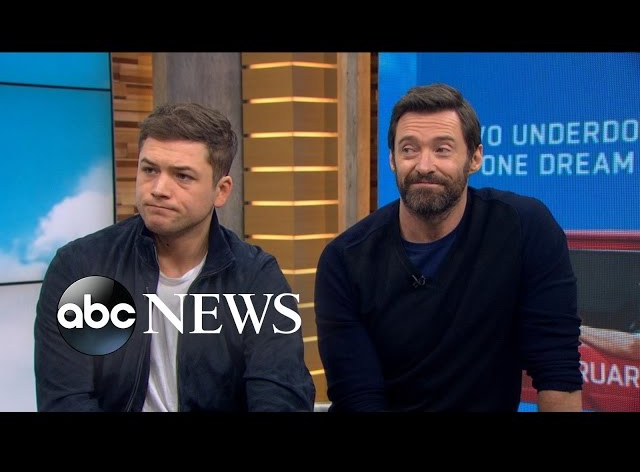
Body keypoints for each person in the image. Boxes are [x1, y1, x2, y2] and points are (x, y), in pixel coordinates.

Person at [314, 84, 583, 412]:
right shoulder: (345, 260)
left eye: (442, 149)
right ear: (392, 160)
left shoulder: (524, 228)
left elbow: (557, 369)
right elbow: (357, 396)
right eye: (409, 149)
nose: (424, 165)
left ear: (475, 158)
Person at [34, 103, 315, 411]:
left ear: (221, 190)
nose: (159, 189)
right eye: (149, 170)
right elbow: (66, 399)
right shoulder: (82, 268)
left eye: (182, 176)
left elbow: (280, 397)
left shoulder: (255, 278)